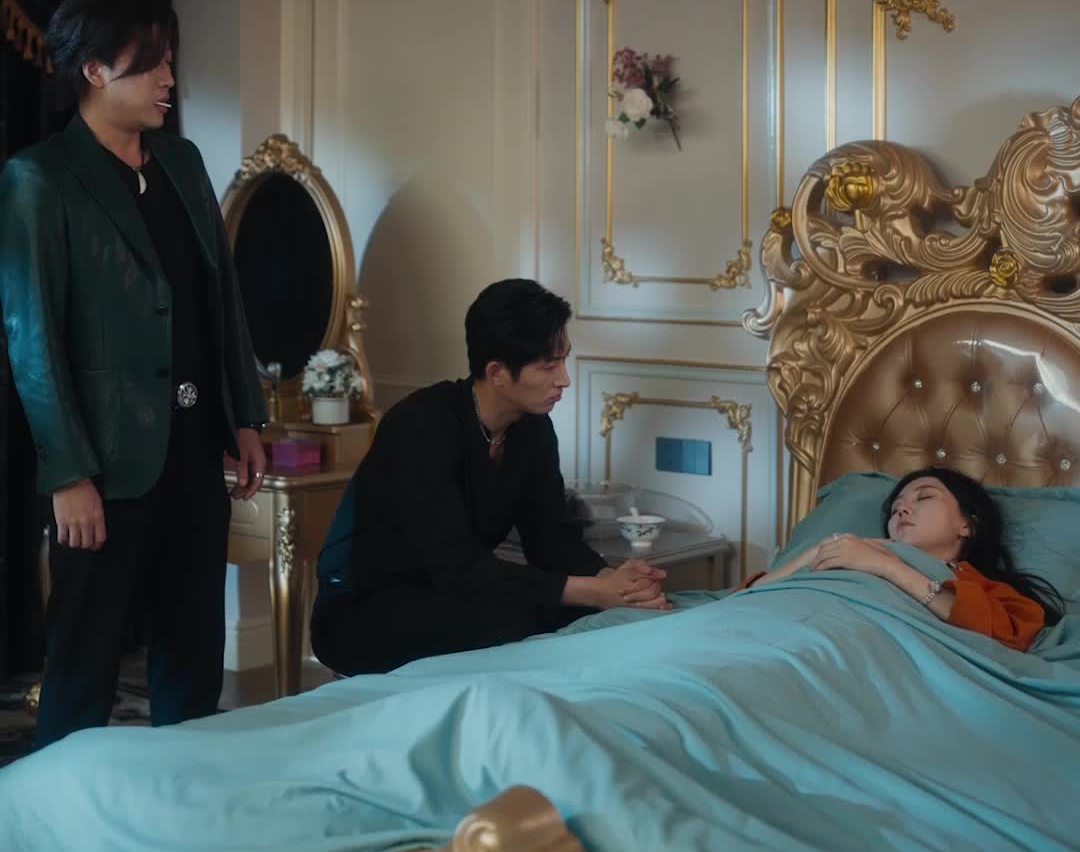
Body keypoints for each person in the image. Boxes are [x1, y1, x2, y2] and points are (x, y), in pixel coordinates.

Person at [0, 0, 267, 748]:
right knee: (83, 660)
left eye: (169, 61)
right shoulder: (40, 178)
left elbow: (221, 300)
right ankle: (58, 806)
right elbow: (32, 339)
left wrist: (245, 416)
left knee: (193, 651)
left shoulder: (183, 161)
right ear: (93, 71)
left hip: (194, 449)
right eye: (150, 64)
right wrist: (68, 474)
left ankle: (184, 794)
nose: (168, 80)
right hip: (104, 461)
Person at [311, 278, 669, 675]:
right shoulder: (420, 424)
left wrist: (617, 581)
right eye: (548, 366)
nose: (564, 379)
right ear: (497, 372)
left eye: (563, 361)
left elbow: (552, 540)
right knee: (513, 620)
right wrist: (593, 592)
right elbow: (456, 565)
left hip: (456, 592)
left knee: (581, 615)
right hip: (364, 607)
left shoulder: (532, 427)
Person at [745, 466, 1063, 652]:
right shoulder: (853, 549)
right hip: (769, 627)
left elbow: (1008, 636)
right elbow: (748, 597)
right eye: (896, 507)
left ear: (967, 525)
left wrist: (886, 566)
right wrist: (819, 550)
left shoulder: (977, 584)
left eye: (924, 497)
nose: (902, 510)